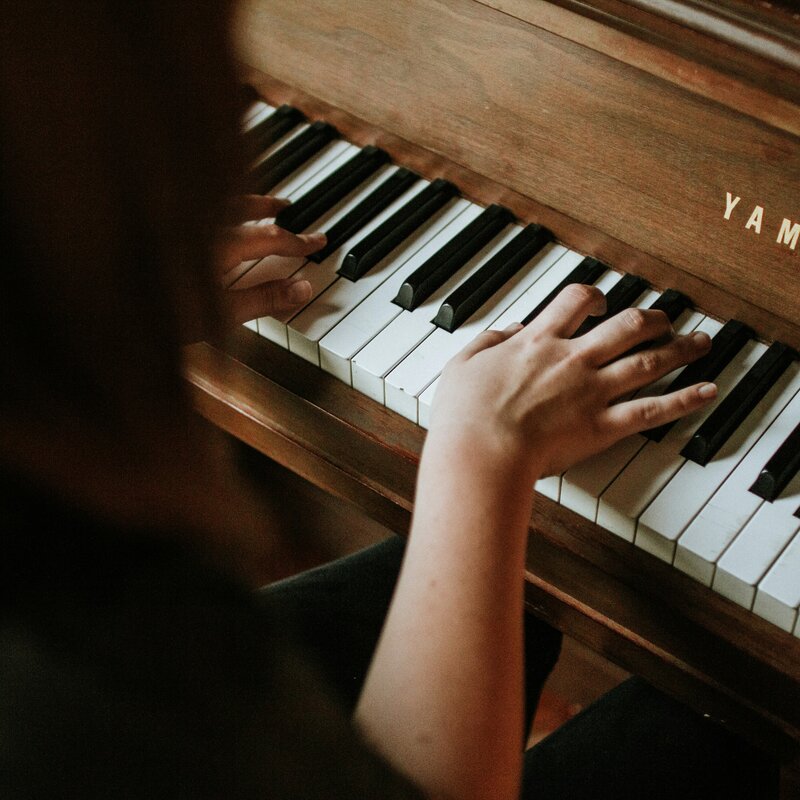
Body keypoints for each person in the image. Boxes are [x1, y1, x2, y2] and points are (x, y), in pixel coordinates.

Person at [0, 3, 778, 799]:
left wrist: (96, 309)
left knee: (547, 600)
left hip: (169, 671)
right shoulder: (54, 694)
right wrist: (481, 456)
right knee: (728, 719)